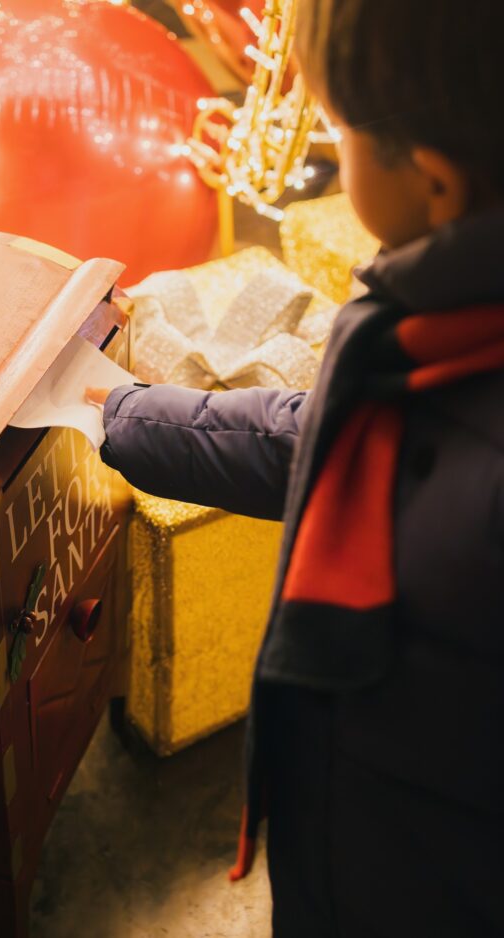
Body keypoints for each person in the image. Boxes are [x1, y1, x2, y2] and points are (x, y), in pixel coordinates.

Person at [86, 0, 504, 935]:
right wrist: (119, 412)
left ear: (433, 182)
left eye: (338, 132)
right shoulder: (442, 323)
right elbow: (318, 436)